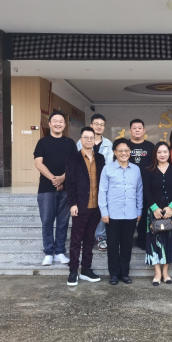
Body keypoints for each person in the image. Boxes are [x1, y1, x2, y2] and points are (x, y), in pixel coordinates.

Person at [34, 112, 77, 266]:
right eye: (55, 121)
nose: (58, 124)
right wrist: (54, 179)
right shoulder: (42, 142)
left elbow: (74, 164)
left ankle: (59, 251)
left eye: (61, 121)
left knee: (63, 221)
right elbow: (38, 163)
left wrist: (62, 178)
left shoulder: (70, 143)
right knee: (47, 221)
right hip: (46, 189)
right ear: (50, 124)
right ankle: (48, 252)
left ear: (64, 125)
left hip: (66, 189)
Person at [99, 138, 143, 286]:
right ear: (115, 152)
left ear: (130, 152)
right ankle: (114, 274)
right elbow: (102, 191)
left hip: (131, 214)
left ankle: (124, 273)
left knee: (126, 245)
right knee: (112, 245)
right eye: (120, 150)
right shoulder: (107, 169)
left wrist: (139, 210)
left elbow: (139, 191)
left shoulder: (136, 169)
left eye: (126, 150)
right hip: (112, 214)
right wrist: (104, 212)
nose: (124, 153)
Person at [65, 127, 106, 287]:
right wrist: (73, 204)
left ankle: (86, 270)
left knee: (90, 239)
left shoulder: (100, 158)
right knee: (76, 240)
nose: (89, 140)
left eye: (91, 138)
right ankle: (73, 271)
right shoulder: (73, 158)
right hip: (80, 206)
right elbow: (70, 183)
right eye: (86, 137)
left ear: (95, 140)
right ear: (81, 140)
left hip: (96, 206)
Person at [142, 142, 172, 286]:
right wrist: (154, 208)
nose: (162, 154)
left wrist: (171, 207)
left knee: (169, 239)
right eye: (159, 152)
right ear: (155, 154)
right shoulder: (148, 170)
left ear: (169, 153)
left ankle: (165, 272)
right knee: (154, 240)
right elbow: (146, 190)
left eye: (165, 152)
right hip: (154, 210)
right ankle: (157, 273)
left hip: (171, 211)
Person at [77, 114, 114, 253]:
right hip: (84, 182)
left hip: (102, 182)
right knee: (85, 210)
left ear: (104, 127)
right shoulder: (80, 142)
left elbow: (108, 165)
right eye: (96, 124)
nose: (99, 126)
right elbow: (78, 162)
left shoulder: (108, 144)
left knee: (101, 209)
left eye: (101, 124)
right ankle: (84, 237)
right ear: (91, 125)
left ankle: (101, 237)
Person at [127, 119, 155, 251]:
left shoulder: (150, 146)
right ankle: (126, 239)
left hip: (145, 186)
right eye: (134, 128)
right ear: (130, 131)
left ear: (144, 130)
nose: (137, 130)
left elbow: (155, 165)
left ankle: (142, 239)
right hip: (127, 186)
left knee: (143, 213)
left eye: (139, 128)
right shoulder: (125, 145)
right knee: (128, 212)